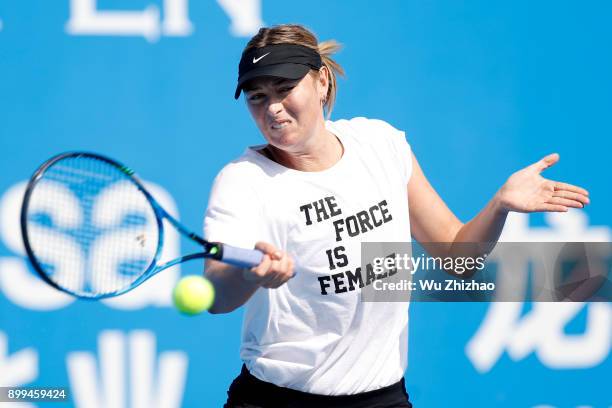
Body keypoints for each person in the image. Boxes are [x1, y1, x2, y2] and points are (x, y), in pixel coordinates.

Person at [203, 24, 590, 408]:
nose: (272, 108)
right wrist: (250, 274)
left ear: (321, 81)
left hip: (382, 398)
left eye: (285, 89)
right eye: (257, 96)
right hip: (277, 401)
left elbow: (459, 257)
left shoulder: (380, 145)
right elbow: (218, 295)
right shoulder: (242, 182)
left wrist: (500, 204)